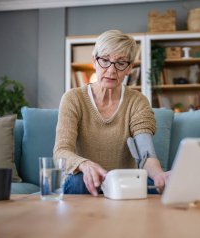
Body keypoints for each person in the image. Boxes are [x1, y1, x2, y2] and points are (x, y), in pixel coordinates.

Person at [53, 30, 170, 196]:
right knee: (79, 181)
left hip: (123, 182)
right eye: (105, 60)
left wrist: (159, 176)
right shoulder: (73, 98)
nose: (111, 70)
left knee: (153, 182)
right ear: (94, 61)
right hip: (84, 181)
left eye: (120, 63)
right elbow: (61, 152)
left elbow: (146, 154)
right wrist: (85, 164)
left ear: (129, 68)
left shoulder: (137, 101)